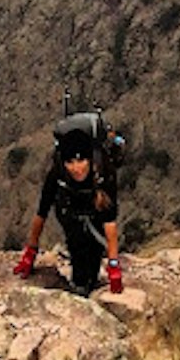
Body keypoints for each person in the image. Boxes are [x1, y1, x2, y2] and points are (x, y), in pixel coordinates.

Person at [13, 126, 123, 293]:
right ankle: (80, 286)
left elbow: (110, 222)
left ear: (90, 159)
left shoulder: (104, 174)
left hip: (95, 208)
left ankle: (89, 283)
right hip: (68, 208)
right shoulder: (57, 174)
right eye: (70, 162)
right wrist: (31, 250)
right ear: (63, 162)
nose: (76, 168)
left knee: (94, 250)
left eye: (81, 161)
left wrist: (113, 264)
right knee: (76, 244)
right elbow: (42, 212)